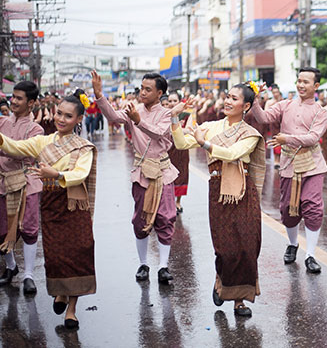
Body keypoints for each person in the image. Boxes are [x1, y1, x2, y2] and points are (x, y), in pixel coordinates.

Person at [0, 89, 97, 329]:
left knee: (79, 252)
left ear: (78, 120)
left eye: (68, 116)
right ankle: (61, 293)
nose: (61, 119)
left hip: (75, 205)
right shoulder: (44, 142)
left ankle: (72, 310)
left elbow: (80, 174)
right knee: (55, 255)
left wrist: (56, 174)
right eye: (59, 114)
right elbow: (15, 148)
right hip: (51, 205)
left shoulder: (83, 147)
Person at [171, 82, 265, 317]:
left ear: (246, 106)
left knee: (246, 246)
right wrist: (175, 117)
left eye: (234, 98)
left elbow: (233, 154)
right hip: (218, 192)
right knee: (225, 247)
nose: (227, 101)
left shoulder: (250, 134)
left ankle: (239, 300)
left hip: (243, 193)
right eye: (227, 96)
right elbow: (182, 143)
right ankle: (220, 279)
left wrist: (205, 143)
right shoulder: (211, 127)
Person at [91, 70, 179, 285]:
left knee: (166, 217)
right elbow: (112, 117)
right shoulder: (134, 109)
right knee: (140, 218)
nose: (143, 92)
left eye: (148, 89)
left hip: (163, 171)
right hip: (141, 171)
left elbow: (159, 134)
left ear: (160, 93)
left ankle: (163, 266)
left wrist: (138, 122)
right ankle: (143, 263)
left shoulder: (166, 114)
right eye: (141, 88)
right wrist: (99, 95)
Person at [249, 67, 327, 274]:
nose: (301, 85)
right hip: (288, 164)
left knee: (312, 206)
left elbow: (313, 138)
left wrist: (287, 139)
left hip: (312, 163)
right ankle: (293, 244)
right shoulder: (285, 105)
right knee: (287, 208)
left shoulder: (321, 112)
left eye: (306, 82)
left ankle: (310, 254)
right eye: (299, 81)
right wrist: (255, 100)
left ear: (316, 86)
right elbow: (264, 118)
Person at [0, 81, 45, 295]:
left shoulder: (36, 129)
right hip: (3, 183)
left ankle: (28, 275)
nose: (14, 101)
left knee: (29, 229)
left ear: (31, 103)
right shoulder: (2, 123)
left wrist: (4, 147)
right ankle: (11, 267)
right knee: (1, 230)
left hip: (27, 182)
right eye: (13, 97)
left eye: (19, 98)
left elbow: (23, 152)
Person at [166, 92, 190, 214]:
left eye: (175, 101)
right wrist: (179, 129)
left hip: (181, 148)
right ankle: (168, 201)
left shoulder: (186, 115)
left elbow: (190, 130)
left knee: (182, 174)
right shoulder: (164, 116)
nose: (172, 103)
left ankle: (178, 202)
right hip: (167, 148)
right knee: (167, 174)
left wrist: (176, 129)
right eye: (170, 101)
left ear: (180, 101)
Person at [265, 84, 284, 169]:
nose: (275, 94)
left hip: (282, 124)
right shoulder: (269, 102)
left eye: (277, 92)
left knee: (282, 141)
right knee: (275, 141)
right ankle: (276, 160)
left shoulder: (283, 101)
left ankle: (280, 160)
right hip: (273, 124)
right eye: (274, 92)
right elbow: (265, 113)